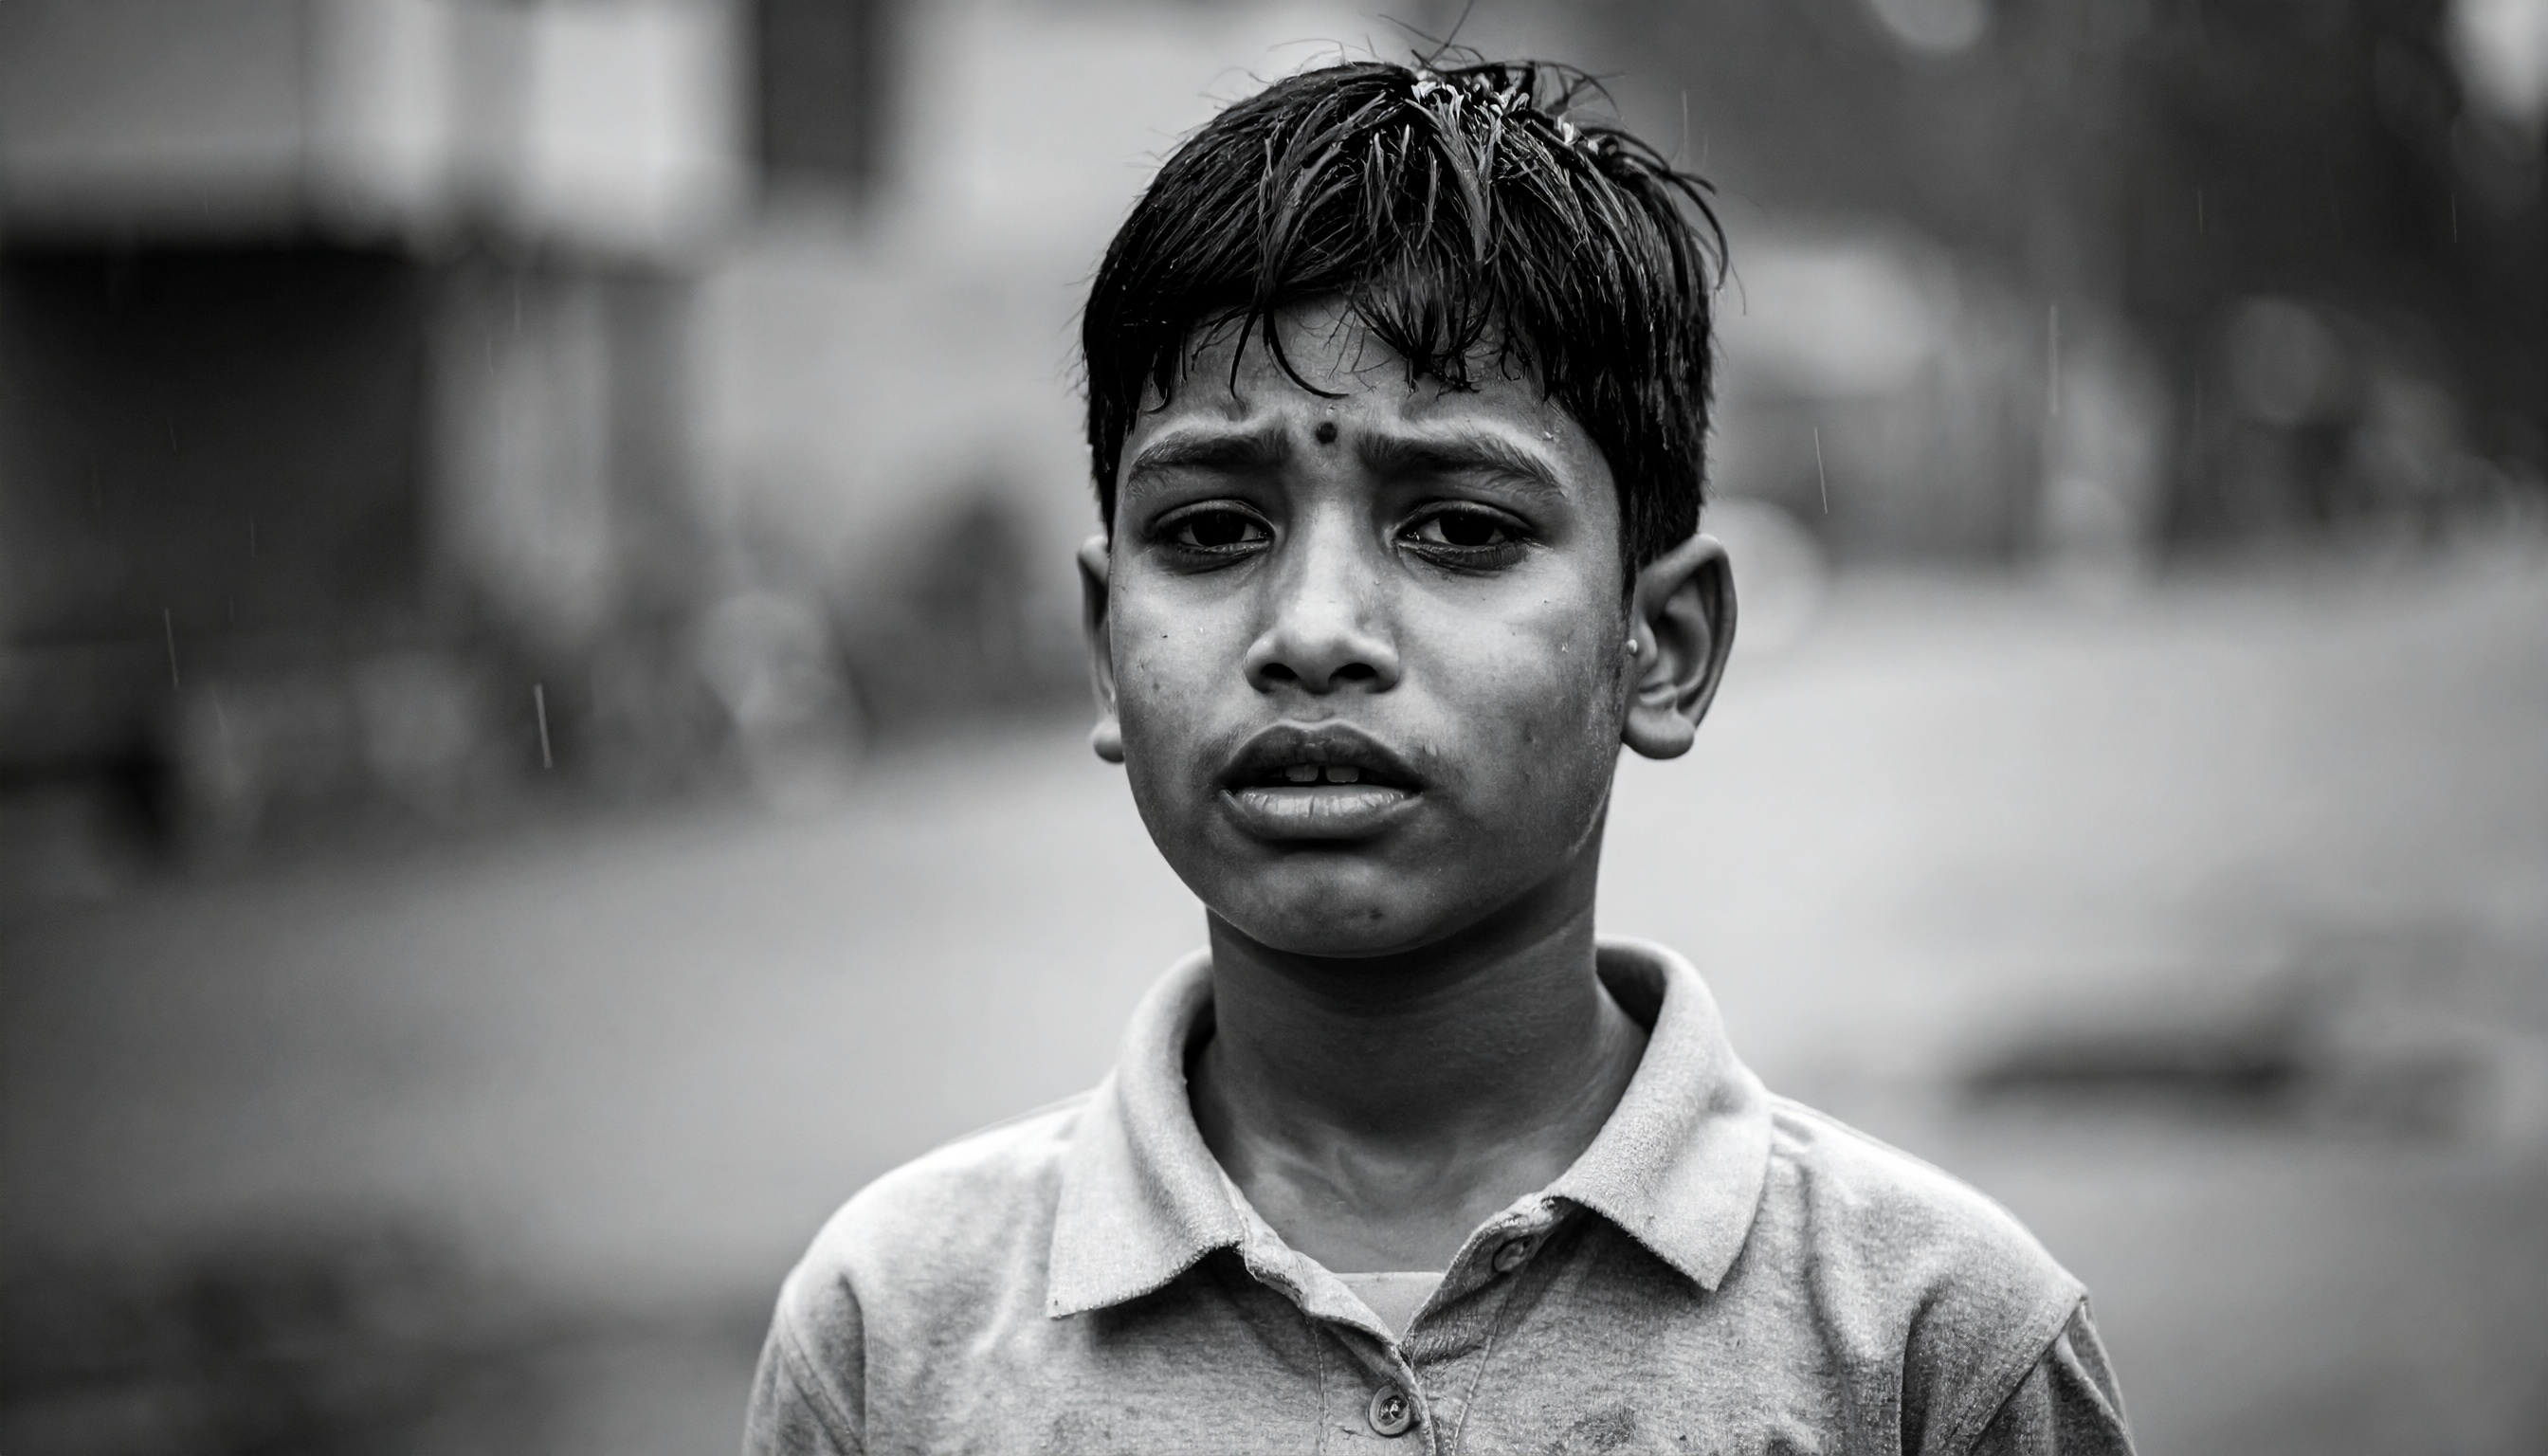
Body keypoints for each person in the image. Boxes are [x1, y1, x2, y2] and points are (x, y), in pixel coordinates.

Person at [744, 56, 2133, 1455]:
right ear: (1110, 647)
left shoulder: (1928, 1343)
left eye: (1459, 527)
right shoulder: (896, 1332)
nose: (1314, 633)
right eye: (1214, 530)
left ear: (1663, 644)